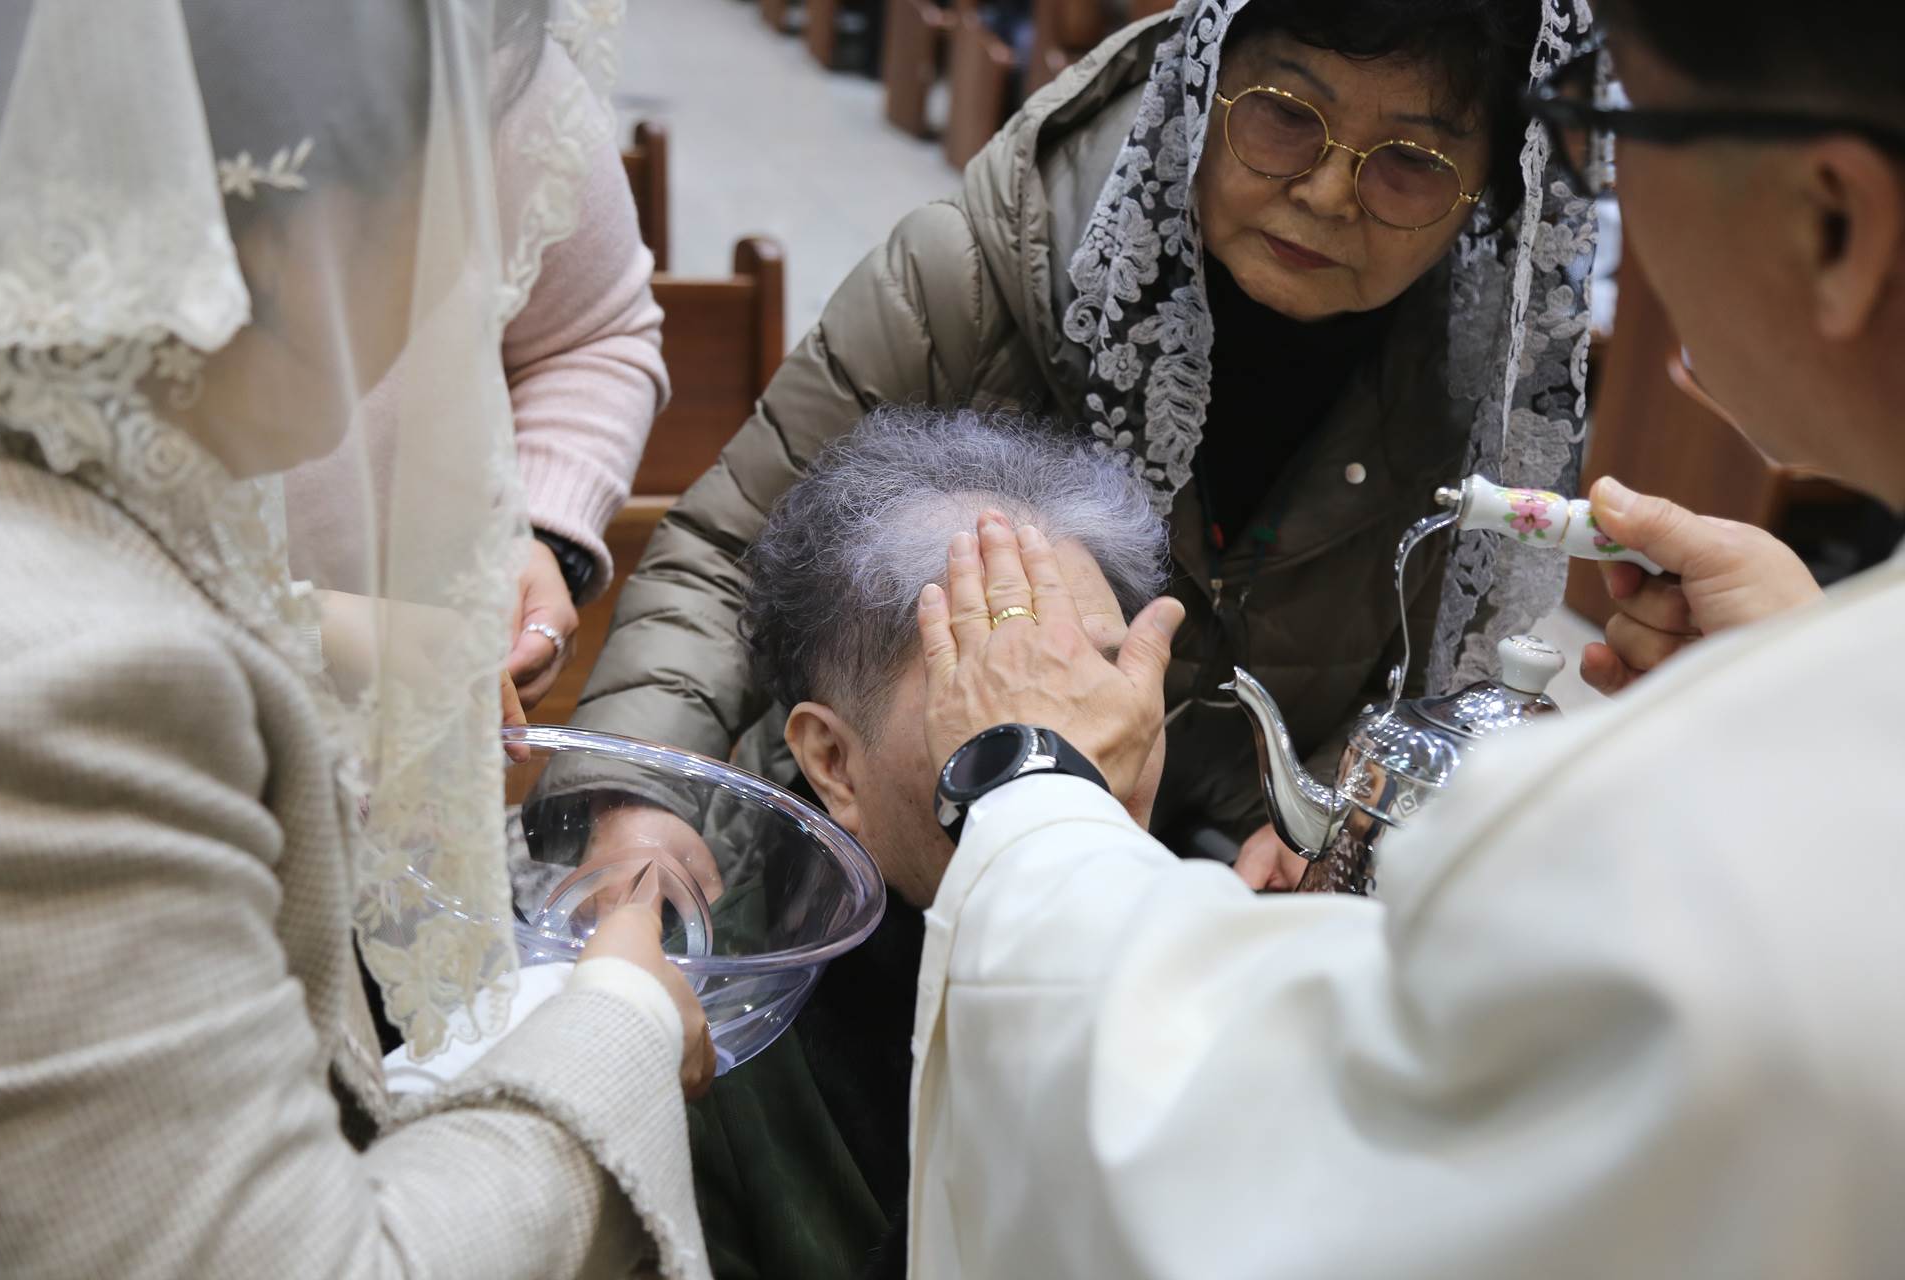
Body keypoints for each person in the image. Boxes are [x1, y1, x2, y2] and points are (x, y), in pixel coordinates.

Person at [899, 0, 1905, 1273]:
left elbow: (1249, 1171)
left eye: (1616, 128)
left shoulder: (1673, 838)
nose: (1330, 195)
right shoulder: (1834, 721)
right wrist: (1797, 666)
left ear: (1837, 225)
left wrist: (1031, 781)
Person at [0, 3, 712, 1276]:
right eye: (443, 225)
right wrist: (620, 1020)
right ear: (284, 241)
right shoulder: (88, 694)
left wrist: (387, 630)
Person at [575, 0, 1598, 892]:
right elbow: (730, 552)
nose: (1330, 194)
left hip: (1187, 912)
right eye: (1286, 116)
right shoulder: (976, 275)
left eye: (1412, 165)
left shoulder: (1478, 394)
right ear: (1200, 86)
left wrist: (1325, 808)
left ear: (1491, 188)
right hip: (874, 866)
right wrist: (639, 790)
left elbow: (1424, 675)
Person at [683, 408, 1171, 1280]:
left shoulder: (1217, 945)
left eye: (1102, 668)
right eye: (997, 676)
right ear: (833, 762)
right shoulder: (708, 1041)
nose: (1095, 731)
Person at [284, 29, 671, 711]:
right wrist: (312, 628)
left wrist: (539, 534)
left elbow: (590, 333)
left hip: (423, 691)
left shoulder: (479, 40)